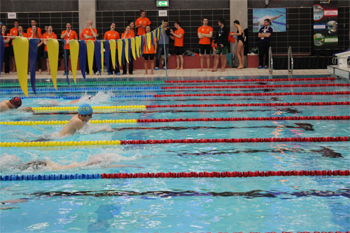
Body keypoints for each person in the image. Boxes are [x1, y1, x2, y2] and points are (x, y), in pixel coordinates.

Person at [3, 155, 142, 172]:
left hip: (45, 163)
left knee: (16, 168)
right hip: (46, 165)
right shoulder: (85, 165)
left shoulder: (82, 163)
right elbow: (111, 166)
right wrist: (133, 166)